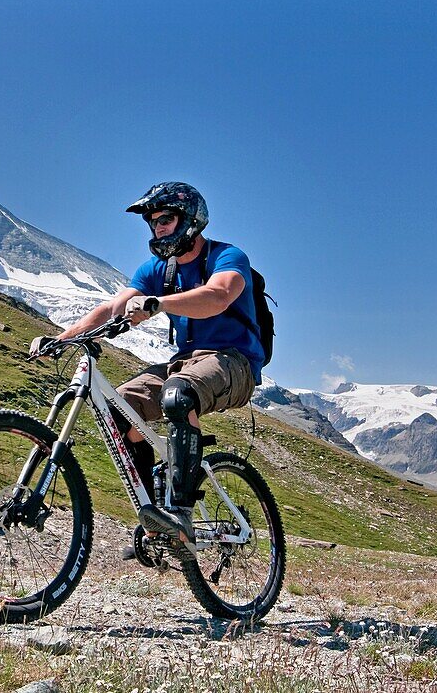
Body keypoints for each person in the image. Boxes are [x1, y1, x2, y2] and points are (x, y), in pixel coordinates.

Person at [30, 182, 266, 554]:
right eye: (153, 222)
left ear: (190, 220)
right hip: (185, 361)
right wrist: (62, 338)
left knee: (179, 394)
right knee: (117, 408)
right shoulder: (156, 269)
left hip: (235, 361)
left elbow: (219, 296)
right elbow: (112, 309)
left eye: (166, 219)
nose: (158, 227)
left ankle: (182, 514)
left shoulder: (227, 257)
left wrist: (159, 303)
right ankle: (155, 520)